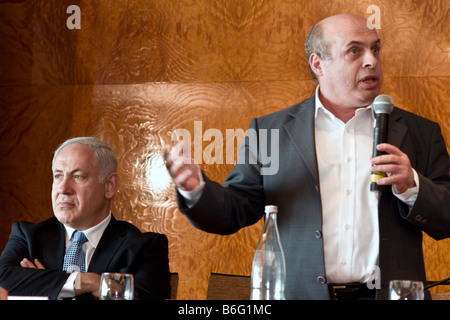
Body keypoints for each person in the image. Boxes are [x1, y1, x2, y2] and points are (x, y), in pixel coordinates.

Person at [164, 13, 450, 300]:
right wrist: (196, 190)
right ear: (318, 64)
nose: (371, 60)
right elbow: (234, 210)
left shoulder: (419, 132)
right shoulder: (271, 131)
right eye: (355, 50)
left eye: (375, 49)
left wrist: (413, 187)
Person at [0, 137, 171, 300]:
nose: (63, 188)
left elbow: (145, 296)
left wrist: (47, 286)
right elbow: (2, 281)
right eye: (58, 175)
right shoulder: (27, 237)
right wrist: (90, 282)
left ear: (109, 186)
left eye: (77, 176)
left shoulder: (144, 247)